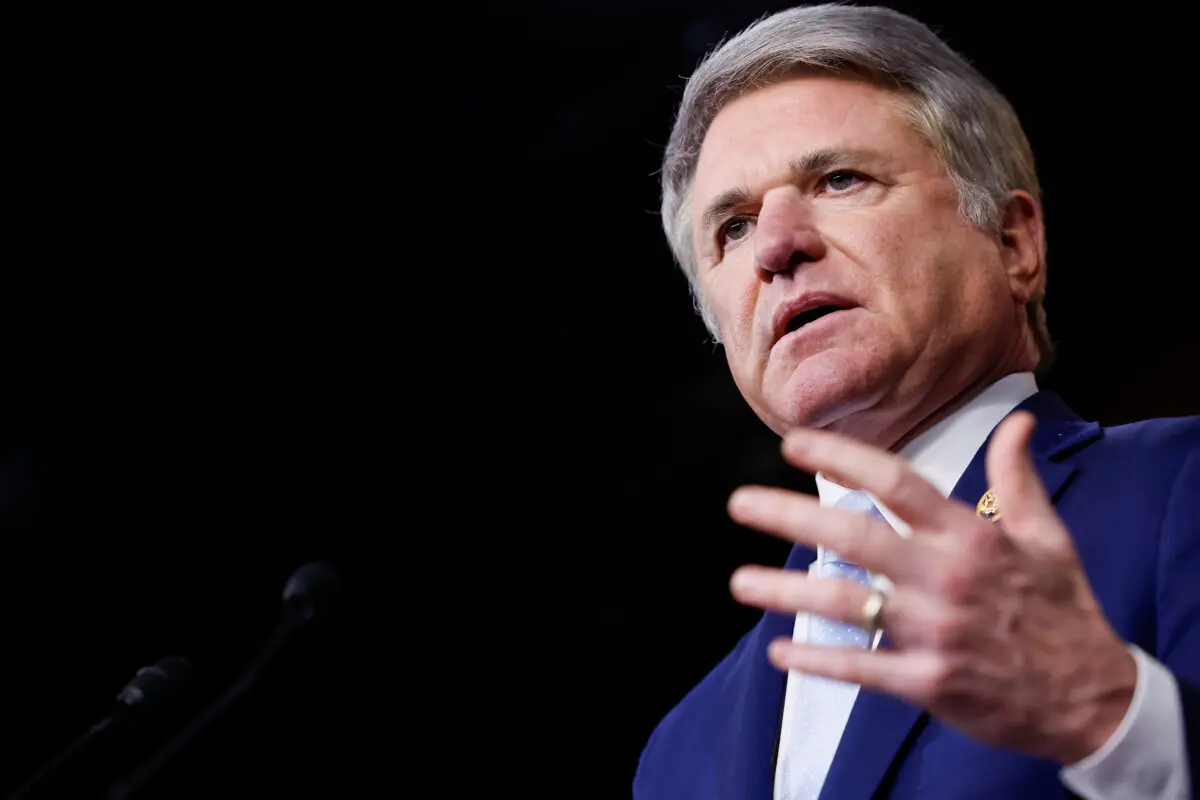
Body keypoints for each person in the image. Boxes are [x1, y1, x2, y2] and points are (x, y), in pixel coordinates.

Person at [632, 4, 1198, 799]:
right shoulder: (676, 756)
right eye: (731, 228)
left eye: (837, 180)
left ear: (1013, 243)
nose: (776, 246)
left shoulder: (1181, 486)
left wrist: (1116, 722)